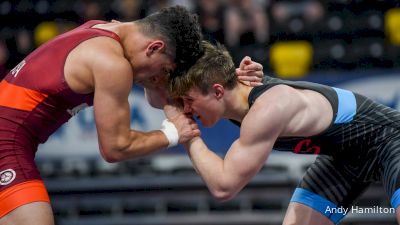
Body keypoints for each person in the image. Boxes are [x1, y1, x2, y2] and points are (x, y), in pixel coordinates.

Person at [167, 41, 400, 225]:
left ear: (218, 91)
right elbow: (155, 90)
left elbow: (224, 186)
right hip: (344, 156)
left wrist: (186, 134)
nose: (186, 110)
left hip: (391, 139)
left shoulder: (267, 109)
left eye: (188, 100)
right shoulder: (234, 88)